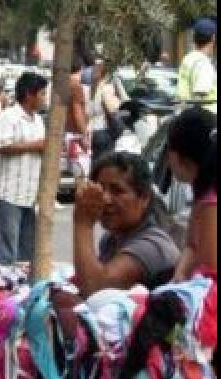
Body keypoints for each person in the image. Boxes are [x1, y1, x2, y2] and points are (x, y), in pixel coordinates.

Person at [73, 152, 181, 297]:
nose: (105, 199)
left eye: (117, 191)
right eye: (101, 190)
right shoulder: (110, 239)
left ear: (144, 198)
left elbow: (95, 290)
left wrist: (83, 224)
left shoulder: (153, 245)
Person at [0, 72, 48, 266]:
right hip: (10, 193)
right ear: (28, 95)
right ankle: (2, 286)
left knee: (26, 250)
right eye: (41, 94)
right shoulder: (10, 117)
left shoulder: (39, 120)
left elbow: (42, 147)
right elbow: (0, 146)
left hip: (30, 193)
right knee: (6, 247)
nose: (44, 98)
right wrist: (35, 145)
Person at [166, 107, 217, 279]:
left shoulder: (211, 203)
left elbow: (210, 276)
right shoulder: (203, 192)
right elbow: (192, 246)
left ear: (178, 156)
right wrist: (179, 275)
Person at [87, 59, 127, 163]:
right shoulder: (106, 88)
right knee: (104, 164)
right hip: (103, 132)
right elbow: (113, 111)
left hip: (92, 132)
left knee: (95, 164)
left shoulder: (91, 89)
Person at [177, 18, 217, 114]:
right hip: (206, 121)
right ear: (213, 38)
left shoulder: (188, 58)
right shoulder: (203, 63)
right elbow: (199, 98)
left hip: (185, 115)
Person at [66, 55, 91, 179]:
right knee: (81, 175)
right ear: (81, 68)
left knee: (74, 172)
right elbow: (77, 112)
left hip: (67, 134)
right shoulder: (76, 86)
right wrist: (84, 135)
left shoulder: (61, 84)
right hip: (75, 135)